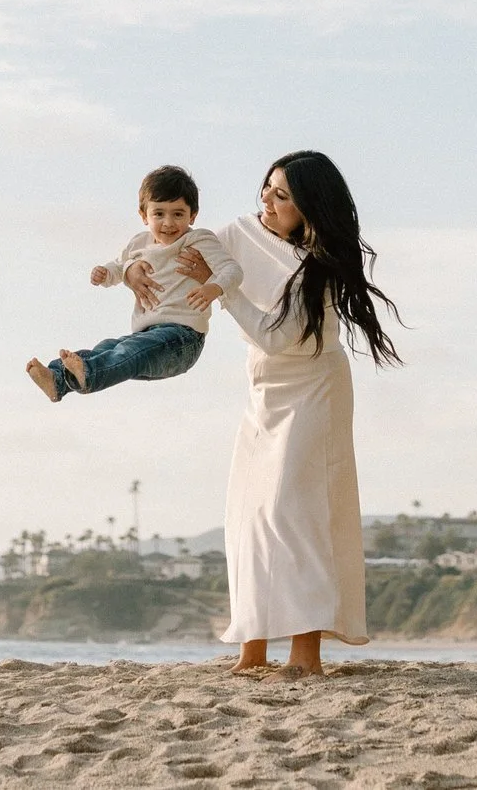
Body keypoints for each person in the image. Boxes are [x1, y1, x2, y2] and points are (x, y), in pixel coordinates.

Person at [152, 150, 399, 677]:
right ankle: (251, 649)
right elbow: (177, 248)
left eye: (282, 195)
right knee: (250, 514)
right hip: (263, 384)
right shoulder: (241, 233)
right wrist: (130, 271)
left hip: (312, 385)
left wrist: (224, 290)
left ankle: (305, 655)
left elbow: (278, 335)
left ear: (308, 208)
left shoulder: (323, 266)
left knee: (295, 514)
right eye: (267, 186)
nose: (267, 199)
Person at [24, 164, 243, 402]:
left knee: (128, 351)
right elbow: (119, 267)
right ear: (143, 215)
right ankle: (57, 380)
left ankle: (90, 375)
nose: (168, 223)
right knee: (107, 347)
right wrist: (105, 273)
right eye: (159, 214)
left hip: (182, 339)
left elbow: (232, 269)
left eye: (178, 214)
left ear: (193, 215)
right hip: (145, 335)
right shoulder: (139, 243)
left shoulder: (198, 239)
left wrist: (214, 287)